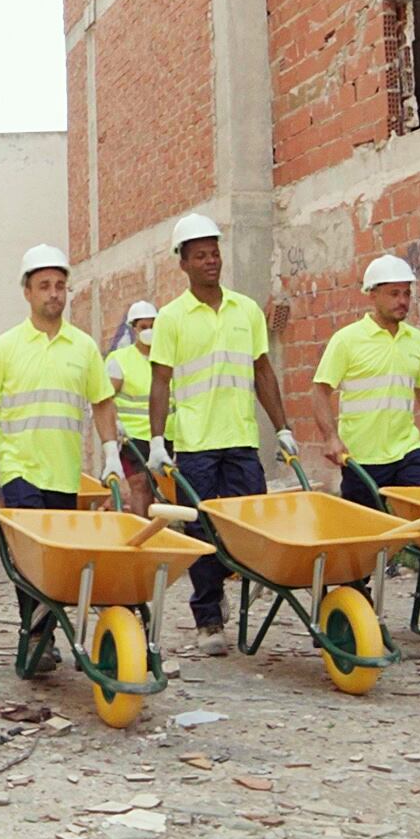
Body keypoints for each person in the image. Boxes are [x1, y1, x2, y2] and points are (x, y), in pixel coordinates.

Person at [0, 243, 123, 668]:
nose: (53, 294)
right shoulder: (7, 346)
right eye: (44, 286)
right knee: (31, 559)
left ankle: (41, 634)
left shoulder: (82, 348)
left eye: (60, 286)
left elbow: (102, 401)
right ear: (27, 292)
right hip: (20, 471)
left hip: (64, 474)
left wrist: (110, 453)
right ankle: (38, 638)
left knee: (59, 561)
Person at [147, 214, 296, 658]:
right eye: (200, 255)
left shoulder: (245, 310)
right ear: (183, 263)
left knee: (249, 526)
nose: (211, 261)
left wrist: (283, 427)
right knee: (201, 533)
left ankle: (246, 585)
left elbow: (262, 372)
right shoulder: (172, 318)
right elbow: (160, 381)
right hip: (195, 444)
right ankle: (208, 616)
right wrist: (157, 441)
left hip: (241, 440)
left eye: (214, 252)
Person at [311, 255, 420, 629]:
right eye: (394, 294)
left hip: (406, 451)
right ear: (372, 295)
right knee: (362, 537)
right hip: (360, 457)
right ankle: (351, 610)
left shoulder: (416, 341)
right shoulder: (347, 340)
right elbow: (320, 390)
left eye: (406, 293)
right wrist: (330, 436)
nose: (402, 301)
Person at [105, 300, 159, 516]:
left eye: (152, 326)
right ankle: (142, 534)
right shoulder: (120, 360)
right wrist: (115, 424)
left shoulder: (166, 358)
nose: (148, 331)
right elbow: (105, 399)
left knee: (166, 488)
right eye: (143, 327)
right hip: (133, 437)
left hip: (165, 436)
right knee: (140, 485)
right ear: (133, 329)